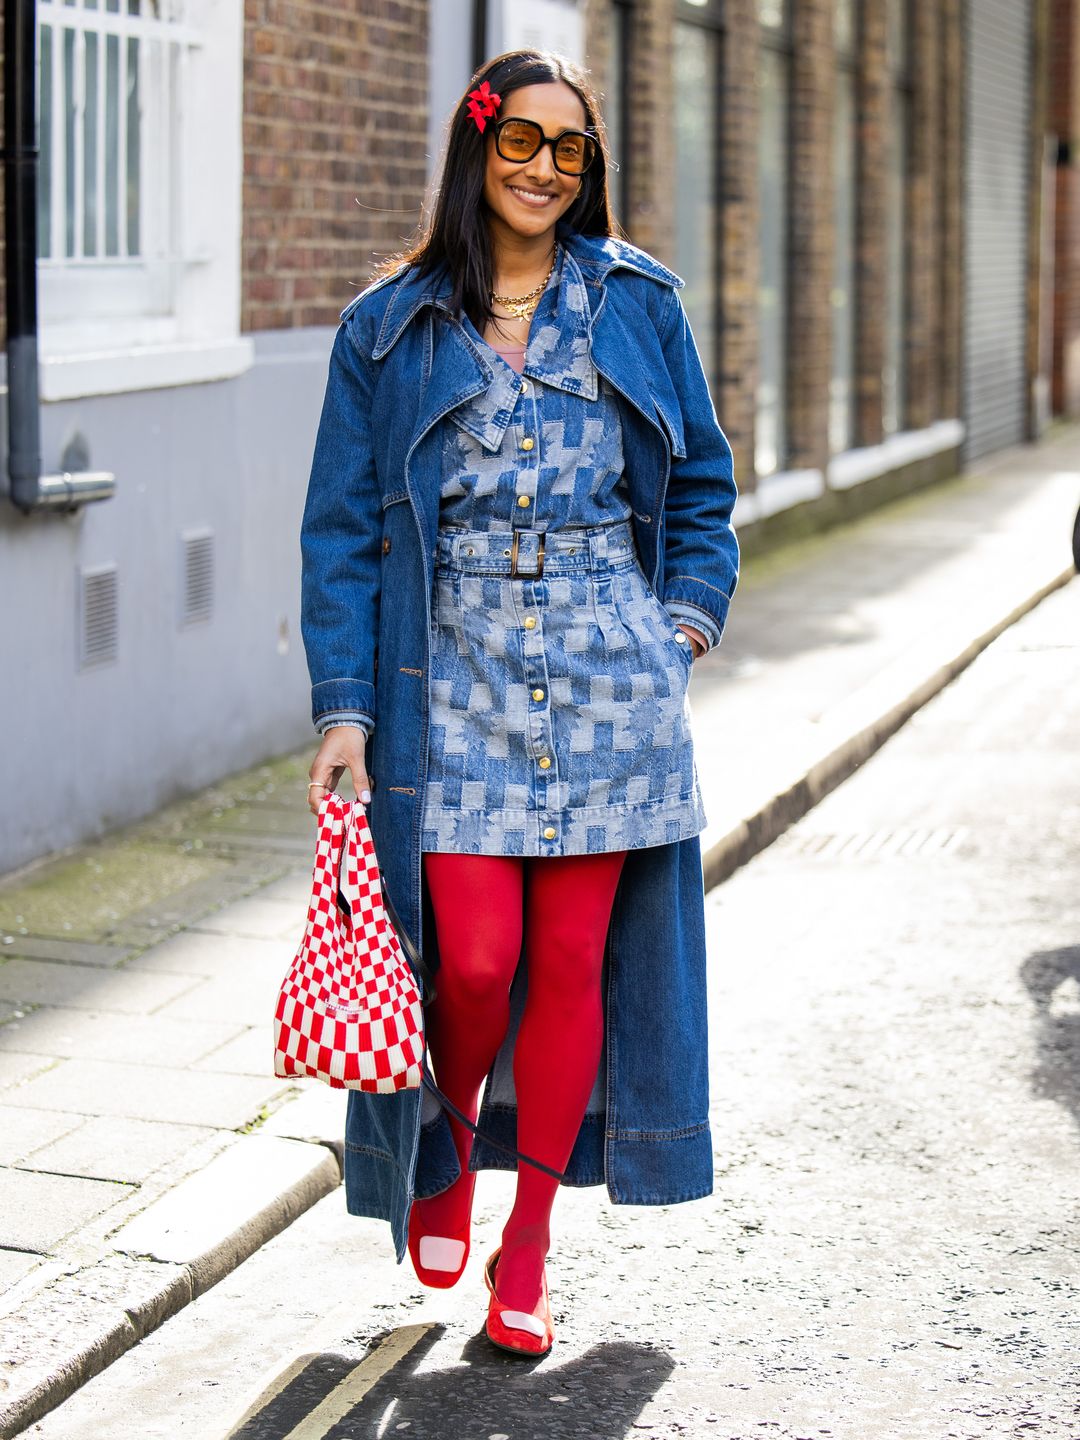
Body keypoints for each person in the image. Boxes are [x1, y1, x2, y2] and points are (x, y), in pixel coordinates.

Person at [299, 48, 739, 1357]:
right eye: (522, 142)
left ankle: (527, 1249)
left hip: (613, 672)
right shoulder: (387, 326)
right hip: (453, 677)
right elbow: (342, 531)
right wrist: (344, 706)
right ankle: (442, 1147)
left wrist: (680, 626)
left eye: (570, 149)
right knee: (475, 960)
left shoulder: (638, 304)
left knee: (567, 969)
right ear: (476, 151)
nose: (547, 168)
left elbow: (702, 490)